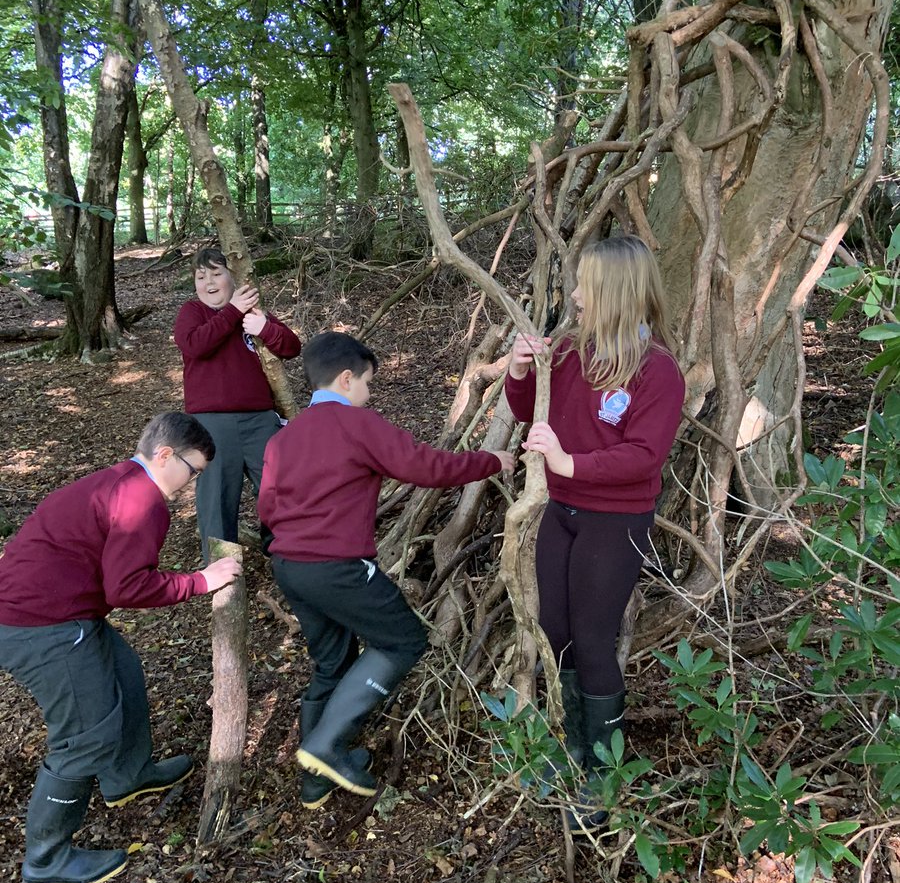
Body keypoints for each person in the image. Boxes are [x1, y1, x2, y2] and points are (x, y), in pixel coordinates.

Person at [259, 331, 515, 809]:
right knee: (403, 641)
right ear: (346, 378)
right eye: (368, 384)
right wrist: (489, 461)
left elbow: (267, 506)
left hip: (289, 566)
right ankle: (326, 745)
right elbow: (426, 467)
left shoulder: (284, 437)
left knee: (331, 662)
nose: (369, 394)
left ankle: (314, 781)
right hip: (337, 564)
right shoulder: (358, 424)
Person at [0, 413, 242, 883]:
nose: (193, 483)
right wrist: (201, 582)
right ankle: (46, 859)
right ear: (166, 455)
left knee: (124, 670)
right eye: (194, 471)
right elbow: (127, 586)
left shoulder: (123, 481)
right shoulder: (143, 500)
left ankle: (128, 774)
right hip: (40, 625)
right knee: (85, 735)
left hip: (60, 612)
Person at [504, 234, 685, 836]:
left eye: (584, 286)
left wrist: (570, 463)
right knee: (556, 631)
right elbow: (536, 407)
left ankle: (604, 776)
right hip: (564, 511)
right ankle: (579, 750)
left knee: (591, 638)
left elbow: (644, 454)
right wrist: (522, 371)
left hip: (615, 518)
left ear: (613, 293)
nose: (574, 296)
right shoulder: (569, 351)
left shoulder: (656, 369)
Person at [173, 246, 302, 563]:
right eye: (201, 276)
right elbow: (194, 345)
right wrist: (232, 312)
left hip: (260, 420)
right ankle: (222, 571)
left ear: (234, 278)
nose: (209, 282)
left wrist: (265, 328)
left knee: (278, 488)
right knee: (216, 496)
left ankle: (287, 555)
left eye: (217, 273)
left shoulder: (252, 312)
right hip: (212, 423)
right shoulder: (193, 312)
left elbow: (291, 347)